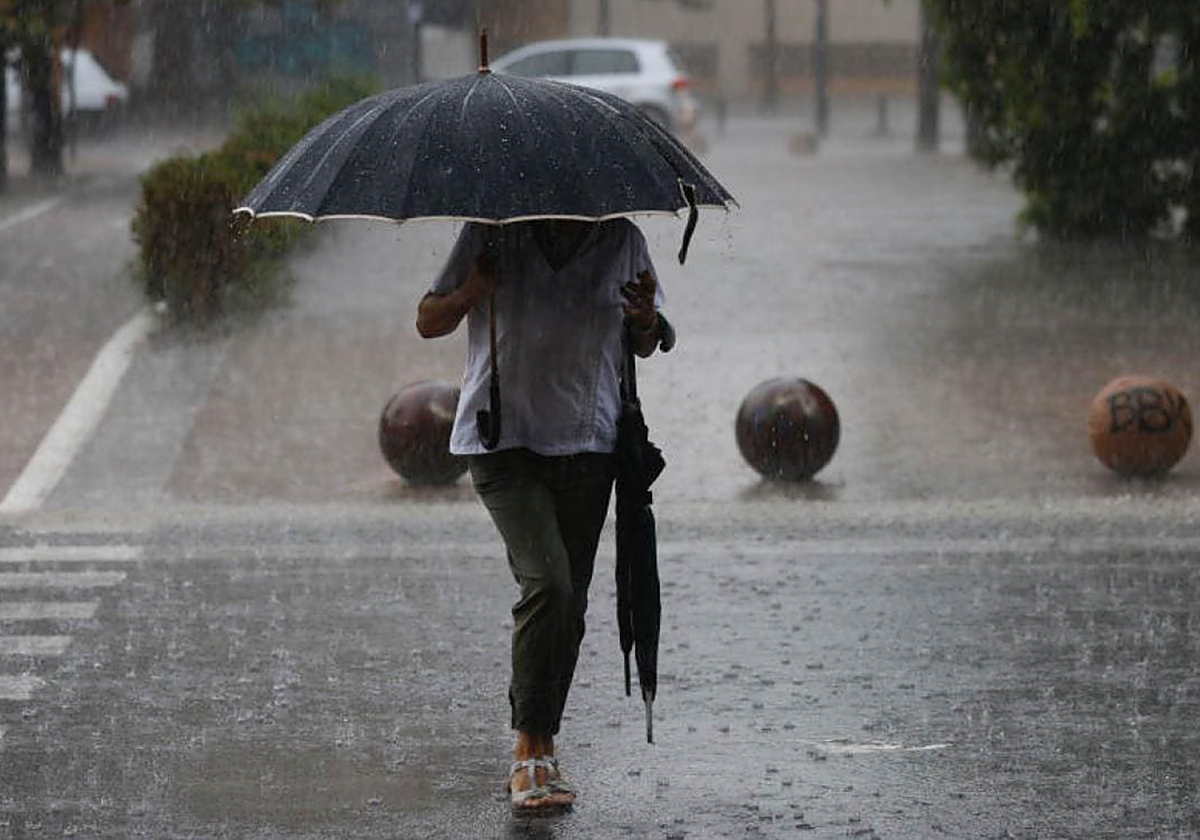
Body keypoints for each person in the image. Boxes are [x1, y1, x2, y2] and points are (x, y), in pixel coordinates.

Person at [415, 218, 667, 812]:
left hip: (588, 442)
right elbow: (428, 319)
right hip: (503, 443)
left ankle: (544, 748)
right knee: (549, 585)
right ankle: (527, 749)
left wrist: (645, 319)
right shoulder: (490, 231)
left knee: (569, 607)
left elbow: (647, 340)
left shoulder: (621, 238)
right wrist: (472, 292)